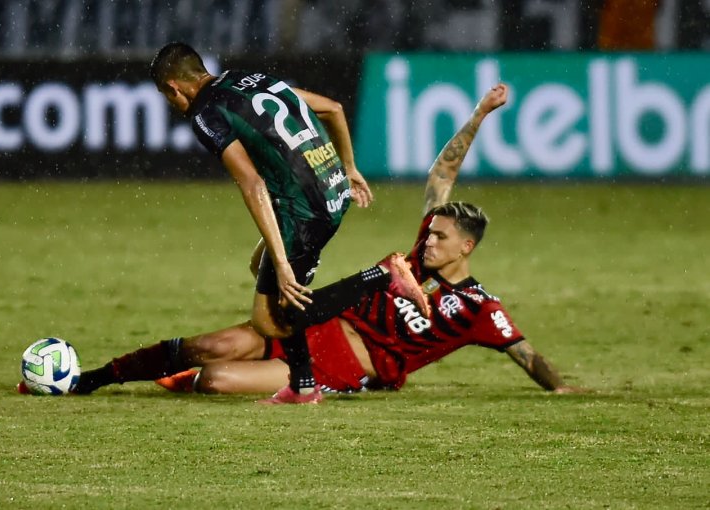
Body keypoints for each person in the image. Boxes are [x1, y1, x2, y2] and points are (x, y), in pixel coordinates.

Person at [52, 83, 582, 399]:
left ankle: (187, 380)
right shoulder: (420, 255)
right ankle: (95, 379)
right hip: (316, 320)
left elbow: (525, 354)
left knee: (215, 380)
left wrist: (559, 387)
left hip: (345, 366)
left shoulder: (480, 308)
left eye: (442, 237)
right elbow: (443, 172)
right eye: (433, 231)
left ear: (467, 248)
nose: (430, 240)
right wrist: (480, 114)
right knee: (206, 346)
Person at [143, 42, 428, 403]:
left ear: (174, 87)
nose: (171, 105)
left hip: (305, 209)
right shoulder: (247, 78)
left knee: (270, 317)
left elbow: (252, 183)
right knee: (261, 270)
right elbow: (334, 109)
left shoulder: (205, 112)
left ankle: (382, 278)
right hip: (331, 190)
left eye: (166, 97)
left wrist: (280, 261)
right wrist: (349, 167)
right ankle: (303, 384)